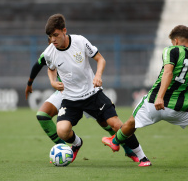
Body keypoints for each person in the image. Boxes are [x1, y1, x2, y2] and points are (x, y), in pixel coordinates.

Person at [102, 15, 188, 168]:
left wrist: (160, 97)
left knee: (132, 122)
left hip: (155, 103)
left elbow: (168, 72)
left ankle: (115, 142)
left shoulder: (172, 50)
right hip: (179, 109)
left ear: (176, 41)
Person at [43, 13, 150, 166]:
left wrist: (98, 75)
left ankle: (142, 156)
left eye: (55, 35)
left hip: (92, 94)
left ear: (64, 31)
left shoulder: (79, 41)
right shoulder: (49, 52)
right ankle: (77, 143)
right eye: (50, 36)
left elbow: (100, 59)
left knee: (116, 124)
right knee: (62, 130)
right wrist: (53, 82)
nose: (53, 40)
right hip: (70, 99)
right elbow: (51, 69)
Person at [25, 38, 139, 162]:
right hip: (65, 93)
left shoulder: (75, 44)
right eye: (50, 41)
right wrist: (30, 84)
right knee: (42, 115)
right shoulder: (49, 53)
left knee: (105, 123)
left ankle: (128, 148)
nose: (53, 44)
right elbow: (39, 65)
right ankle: (65, 148)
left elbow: (98, 58)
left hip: (86, 91)